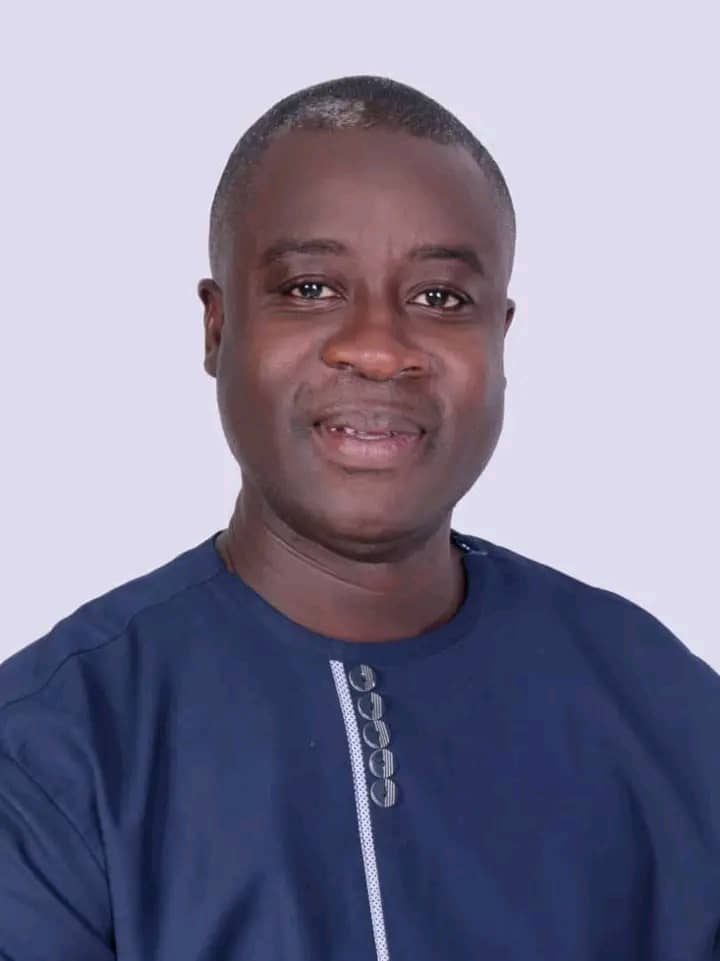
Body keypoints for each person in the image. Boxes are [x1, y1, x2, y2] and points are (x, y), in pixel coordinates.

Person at [1, 75, 718, 961]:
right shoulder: (51, 757)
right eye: (310, 287)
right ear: (218, 328)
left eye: (440, 298)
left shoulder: (664, 705)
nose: (378, 349)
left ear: (500, 337)